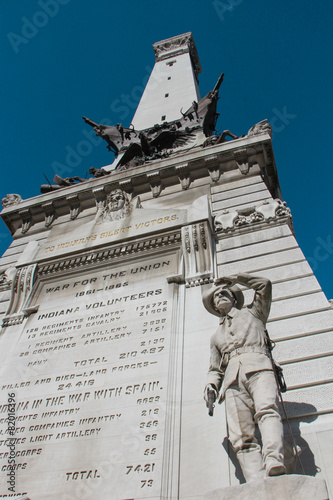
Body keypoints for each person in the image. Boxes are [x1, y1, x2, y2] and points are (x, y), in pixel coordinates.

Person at [203, 273, 286, 482]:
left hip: (259, 367)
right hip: (231, 381)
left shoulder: (254, 312)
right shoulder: (215, 337)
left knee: (267, 410)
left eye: (225, 292)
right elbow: (214, 368)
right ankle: (254, 478)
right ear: (214, 306)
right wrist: (211, 385)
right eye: (216, 295)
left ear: (233, 298)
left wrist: (237, 278)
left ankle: (274, 459)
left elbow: (265, 285)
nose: (220, 295)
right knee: (239, 433)